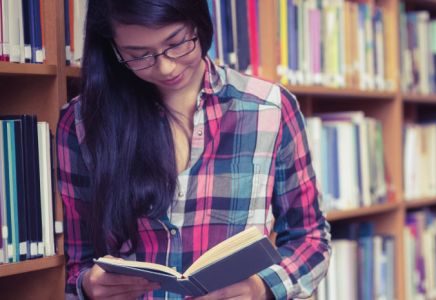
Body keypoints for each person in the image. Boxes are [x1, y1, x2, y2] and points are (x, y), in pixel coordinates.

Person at [56, 1, 330, 299]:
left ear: (197, 22)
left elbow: (311, 239)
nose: (166, 66)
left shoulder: (269, 108)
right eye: (139, 55)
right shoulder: (83, 123)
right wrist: (87, 285)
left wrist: (263, 287)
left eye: (177, 43)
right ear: (112, 48)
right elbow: (77, 262)